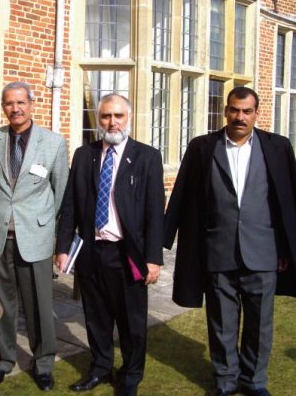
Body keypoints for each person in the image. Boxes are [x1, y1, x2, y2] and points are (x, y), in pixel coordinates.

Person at [164, 87, 296, 396]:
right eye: (235, 110)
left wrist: (286, 248)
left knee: (259, 325)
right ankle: (225, 380)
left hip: (263, 253)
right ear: (225, 111)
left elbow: (288, 202)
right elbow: (183, 196)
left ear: (256, 114)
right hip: (218, 251)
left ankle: (254, 381)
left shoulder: (277, 148)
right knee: (221, 324)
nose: (240, 117)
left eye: (247, 111)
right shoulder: (202, 147)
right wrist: (160, 241)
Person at [55, 93, 164, 396]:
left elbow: (156, 212)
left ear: (128, 117)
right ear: (98, 119)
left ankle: (130, 376)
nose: (112, 122)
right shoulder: (83, 154)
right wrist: (63, 247)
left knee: (132, 321)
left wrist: (153, 259)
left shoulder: (147, 157)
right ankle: (101, 367)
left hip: (127, 253)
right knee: (96, 317)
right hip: (91, 252)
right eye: (106, 116)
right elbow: (71, 205)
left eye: (118, 116)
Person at [0, 81, 69, 391]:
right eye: (9, 103)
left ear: (31, 104)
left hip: (36, 236)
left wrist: (45, 226)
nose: (15, 108)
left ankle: (43, 363)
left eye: (21, 102)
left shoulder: (53, 142)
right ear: (2, 107)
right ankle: (2, 360)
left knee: (40, 306)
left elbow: (59, 192)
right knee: (0, 305)